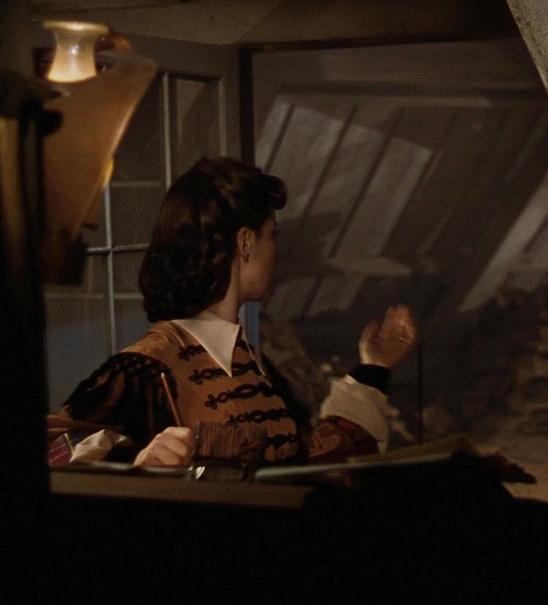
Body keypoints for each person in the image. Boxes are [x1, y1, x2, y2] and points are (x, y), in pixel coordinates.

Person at [54, 156, 417, 468]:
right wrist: (138, 466)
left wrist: (374, 368)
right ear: (245, 242)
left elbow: (311, 456)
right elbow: (57, 460)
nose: (275, 250)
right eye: (272, 235)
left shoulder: (253, 364)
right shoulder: (142, 370)